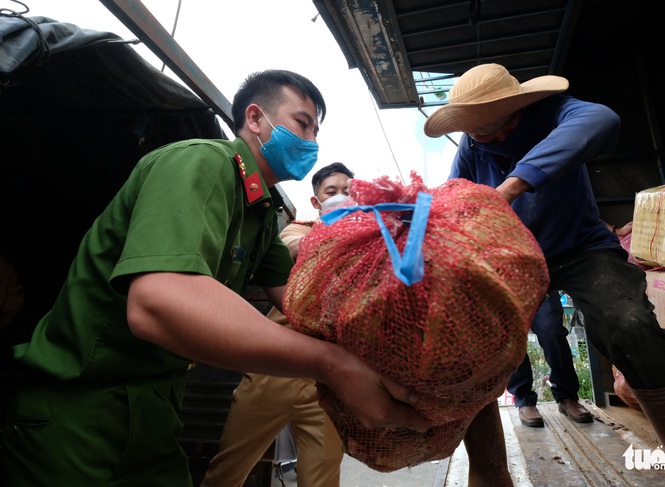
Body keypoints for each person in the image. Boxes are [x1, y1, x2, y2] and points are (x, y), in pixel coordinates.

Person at [0, 70, 430, 486]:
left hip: (157, 408)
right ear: (256, 118)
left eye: (317, 131)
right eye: (303, 124)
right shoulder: (203, 162)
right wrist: (332, 363)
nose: (312, 141)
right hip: (78, 406)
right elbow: (156, 303)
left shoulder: (261, 216)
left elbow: (304, 305)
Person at [423, 63, 665, 486]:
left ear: (518, 107)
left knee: (630, 326)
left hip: (580, 250)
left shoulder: (556, 112)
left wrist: (512, 185)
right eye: (478, 133)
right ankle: (490, 473)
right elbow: (453, 198)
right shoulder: (472, 148)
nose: (490, 140)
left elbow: (602, 120)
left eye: (499, 127)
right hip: (512, 259)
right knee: (471, 345)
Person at [201, 162, 354, 487]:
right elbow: (291, 250)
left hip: (325, 382)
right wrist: (337, 229)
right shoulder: (299, 229)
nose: (341, 197)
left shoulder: (370, 242)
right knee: (228, 471)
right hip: (273, 371)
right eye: (332, 192)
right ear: (316, 202)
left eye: (348, 192)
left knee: (323, 478)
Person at [507, 290, 592, 428]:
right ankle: (524, 400)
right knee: (512, 335)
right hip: (504, 283)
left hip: (541, 284)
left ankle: (567, 396)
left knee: (552, 330)